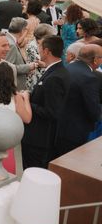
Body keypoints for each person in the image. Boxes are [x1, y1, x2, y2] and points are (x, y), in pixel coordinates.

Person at [22, 35, 70, 169]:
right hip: (41, 138)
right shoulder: (56, 71)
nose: (38, 50)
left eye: (40, 48)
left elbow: (51, 112)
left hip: (39, 140)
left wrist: (26, 101)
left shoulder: (55, 77)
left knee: (33, 173)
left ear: (47, 51)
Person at [54, 45, 102, 158]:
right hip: (74, 132)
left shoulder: (68, 68)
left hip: (58, 126)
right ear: (95, 60)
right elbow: (93, 110)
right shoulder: (89, 78)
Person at [5, 17, 41, 91]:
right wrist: (29, 67)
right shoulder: (11, 44)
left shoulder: (9, 39)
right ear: (23, 30)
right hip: (15, 86)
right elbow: (8, 67)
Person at [26, 23, 55, 91]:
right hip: (36, 79)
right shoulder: (32, 46)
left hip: (44, 76)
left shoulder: (44, 44)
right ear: (44, 36)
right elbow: (41, 62)